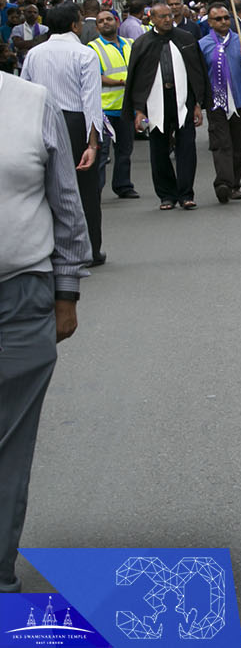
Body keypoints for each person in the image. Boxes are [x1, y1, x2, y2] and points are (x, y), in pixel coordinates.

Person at [0, 70, 91, 595]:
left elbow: (65, 202)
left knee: (8, 444)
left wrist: (66, 291)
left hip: (20, 294)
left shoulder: (34, 104)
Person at [21, 2, 104, 265]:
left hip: (39, 120)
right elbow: (91, 101)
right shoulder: (84, 54)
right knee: (84, 189)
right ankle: (89, 248)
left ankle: (50, 248)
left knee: (45, 187)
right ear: (74, 25)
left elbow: (25, 89)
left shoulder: (35, 53)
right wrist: (92, 142)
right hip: (74, 122)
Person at [124, 2, 209, 211]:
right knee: (159, 150)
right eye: (161, 16)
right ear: (151, 19)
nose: (167, 20)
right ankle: (166, 195)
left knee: (187, 148)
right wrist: (139, 111)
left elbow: (196, 72)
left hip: (183, 101)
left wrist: (198, 104)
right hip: (154, 104)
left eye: (169, 16)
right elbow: (137, 80)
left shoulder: (186, 39)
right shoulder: (142, 43)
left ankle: (186, 194)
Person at [199, 2, 241, 202]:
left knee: (238, 145)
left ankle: (235, 183)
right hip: (217, 102)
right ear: (210, 22)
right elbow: (199, 74)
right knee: (221, 144)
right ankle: (224, 184)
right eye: (218, 19)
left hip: (240, 100)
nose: (224, 21)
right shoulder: (203, 45)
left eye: (226, 18)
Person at [88, 9, 140, 200]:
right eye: (101, 21)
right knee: (101, 153)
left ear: (117, 22)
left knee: (125, 150)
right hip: (104, 109)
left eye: (109, 19)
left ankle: (123, 186)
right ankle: (95, 191)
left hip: (126, 108)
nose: (105, 23)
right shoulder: (93, 48)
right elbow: (96, 76)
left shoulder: (130, 44)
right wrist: (122, 82)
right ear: (97, 27)